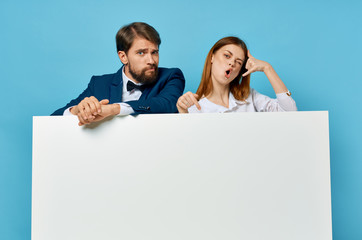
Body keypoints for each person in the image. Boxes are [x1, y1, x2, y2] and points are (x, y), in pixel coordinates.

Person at [52, 22, 185, 126]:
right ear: (123, 57)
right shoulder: (99, 84)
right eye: (141, 53)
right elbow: (53, 119)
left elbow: (166, 104)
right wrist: (76, 111)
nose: (151, 60)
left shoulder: (172, 76)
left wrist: (113, 109)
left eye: (154, 52)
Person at [176, 37, 296, 113]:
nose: (232, 63)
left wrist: (267, 68)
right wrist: (183, 112)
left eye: (238, 62)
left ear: (240, 71)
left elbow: (289, 112)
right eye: (227, 56)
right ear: (212, 57)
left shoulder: (250, 97)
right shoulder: (194, 107)